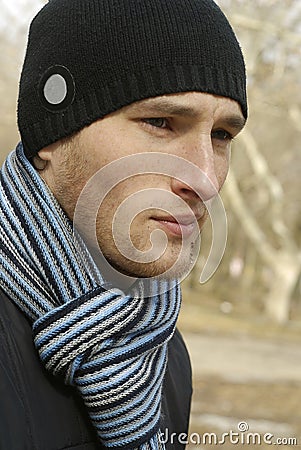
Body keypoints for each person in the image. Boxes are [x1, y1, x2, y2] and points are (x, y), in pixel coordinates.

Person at [0, 0, 247, 449]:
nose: (206, 181)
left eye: (222, 136)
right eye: (160, 122)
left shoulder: (159, 351)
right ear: (51, 135)